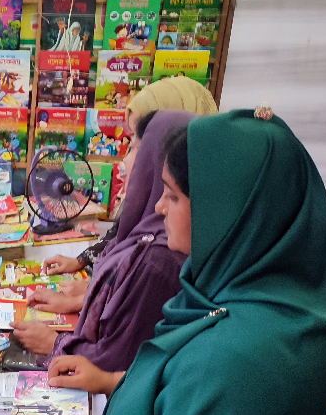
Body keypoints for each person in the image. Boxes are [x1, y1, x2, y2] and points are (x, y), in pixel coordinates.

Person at [0, 109, 326, 415]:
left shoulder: (234, 361)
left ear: (222, 209)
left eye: (171, 196)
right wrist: (114, 382)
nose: (157, 205)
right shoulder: (278, 302)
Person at [12, 111, 189, 372]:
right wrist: (81, 297)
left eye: (135, 146)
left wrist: (56, 343)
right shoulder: (145, 235)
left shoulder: (158, 259)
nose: (125, 162)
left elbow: (119, 357)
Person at [39, 76, 220, 309]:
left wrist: (90, 298)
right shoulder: (149, 206)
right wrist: (81, 263)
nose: (125, 159)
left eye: (137, 143)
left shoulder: (166, 252)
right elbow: (119, 236)